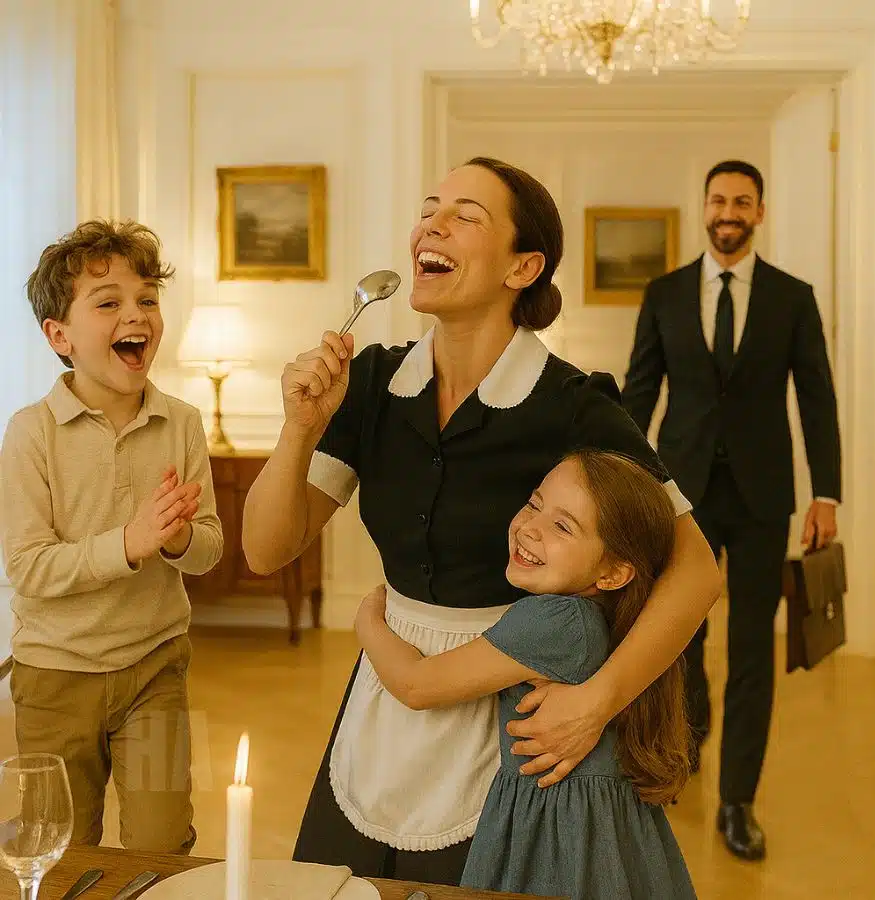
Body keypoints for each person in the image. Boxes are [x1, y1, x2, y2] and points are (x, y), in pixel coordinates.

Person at [242, 157, 721, 883]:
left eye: (465, 216)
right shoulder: (369, 383)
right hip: (382, 703)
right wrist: (298, 430)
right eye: (428, 210)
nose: (431, 226)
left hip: (512, 719)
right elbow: (265, 550)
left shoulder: (574, 404)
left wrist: (596, 701)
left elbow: (696, 570)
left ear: (523, 267)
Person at [621, 159, 842, 861]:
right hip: (680, 495)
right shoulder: (664, 293)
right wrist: (620, 481)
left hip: (762, 499)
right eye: (718, 200)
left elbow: (817, 398)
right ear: (705, 207)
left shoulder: (792, 298)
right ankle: (686, 742)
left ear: (759, 213)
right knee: (681, 638)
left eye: (742, 202)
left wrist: (827, 494)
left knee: (751, 648)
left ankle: (738, 800)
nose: (728, 212)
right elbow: (639, 393)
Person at [355, 450, 697, 900]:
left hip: (557, 838)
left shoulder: (553, 622)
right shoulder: (602, 617)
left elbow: (417, 685)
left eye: (563, 527)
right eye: (535, 504)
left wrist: (368, 620)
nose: (531, 527)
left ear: (614, 573)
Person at [0, 220, 224, 852]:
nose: (136, 314)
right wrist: (129, 542)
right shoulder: (30, 433)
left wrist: (176, 540)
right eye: (108, 303)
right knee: (61, 850)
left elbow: (208, 549)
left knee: (162, 844)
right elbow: (29, 568)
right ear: (59, 335)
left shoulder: (182, 422)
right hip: (53, 679)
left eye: (147, 298)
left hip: (157, 669)